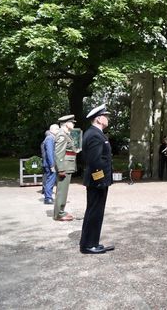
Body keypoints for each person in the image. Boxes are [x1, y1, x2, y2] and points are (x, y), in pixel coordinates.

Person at [79, 104, 115, 254]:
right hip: (97, 182)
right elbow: (94, 162)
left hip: (97, 181)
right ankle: (88, 245)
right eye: (105, 116)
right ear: (99, 119)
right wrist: (100, 180)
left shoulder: (95, 133)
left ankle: (91, 242)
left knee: (94, 211)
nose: (107, 118)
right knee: (94, 212)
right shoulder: (94, 134)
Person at [53, 115, 79, 221]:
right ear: (66, 124)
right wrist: (61, 169)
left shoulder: (65, 135)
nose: (73, 124)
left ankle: (60, 212)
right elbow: (59, 154)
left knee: (63, 190)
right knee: (61, 191)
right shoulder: (62, 136)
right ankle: (59, 214)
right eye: (72, 122)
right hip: (64, 167)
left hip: (67, 166)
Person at [41, 124, 59, 205]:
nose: (58, 131)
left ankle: (48, 197)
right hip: (49, 164)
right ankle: (48, 198)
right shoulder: (50, 138)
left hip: (48, 163)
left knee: (50, 179)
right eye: (57, 129)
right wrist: (52, 165)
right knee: (50, 180)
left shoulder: (50, 138)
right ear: (53, 130)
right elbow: (49, 153)